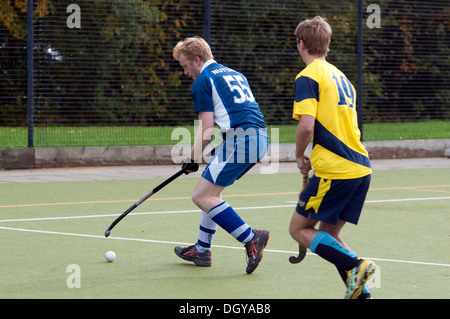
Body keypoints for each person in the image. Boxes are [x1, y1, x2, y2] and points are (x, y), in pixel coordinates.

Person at [288, 16, 377, 298]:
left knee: (299, 229)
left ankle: (357, 265)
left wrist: (299, 154)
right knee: (329, 233)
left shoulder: (308, 76)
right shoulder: (343, 78)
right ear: (326, 44)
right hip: (361, 168)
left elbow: (306, 125)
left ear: (301, 43)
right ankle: (361, 293)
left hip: (336, 171)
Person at [172, 36, 270, 274]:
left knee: (201, 196)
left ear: (197, 59)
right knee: (212, 193)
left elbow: (206, 129)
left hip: (241, 140)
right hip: (260, 138)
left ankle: (251, 237)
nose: (185, 72)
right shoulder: (236, 74)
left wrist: (192, 159)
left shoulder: (202, 80)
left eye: (185, 65)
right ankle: (202, 250)